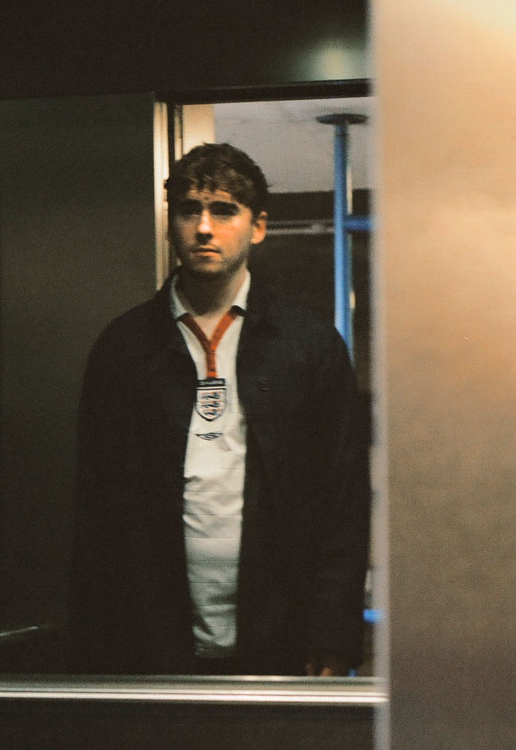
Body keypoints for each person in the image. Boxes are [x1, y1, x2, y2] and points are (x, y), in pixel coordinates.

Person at [67, 140, 370, 676]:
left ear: (257, 226)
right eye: (189, 210)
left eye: (224, 210)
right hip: (148, 635)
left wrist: (332, 631)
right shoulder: (125, 346)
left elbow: (341, 499)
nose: (204, 227)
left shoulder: (308, 345)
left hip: (283, 632)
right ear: (170, 224)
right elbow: (96, 508)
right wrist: (93, 640)